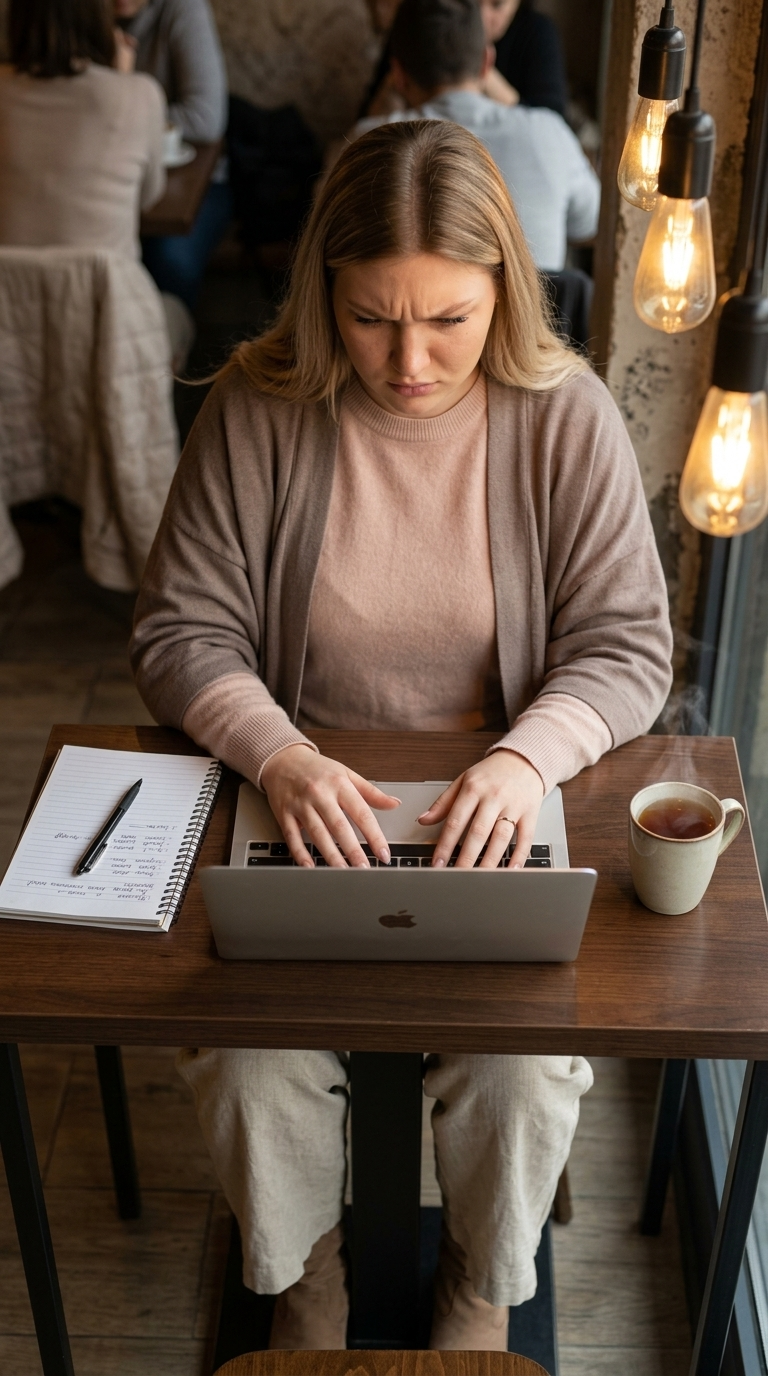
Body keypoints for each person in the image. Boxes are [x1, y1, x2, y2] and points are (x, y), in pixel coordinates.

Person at [130, 118, 672, 1350]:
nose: (411, 361)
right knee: (250, 1062)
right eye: (374, 318)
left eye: (448, 319)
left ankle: (480, 1288)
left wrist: (528, 752)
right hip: (299, 788)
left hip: (495, 794)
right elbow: (177, 632)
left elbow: (631, 644)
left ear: (505, 295)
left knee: (520, 1069)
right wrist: (277, 750)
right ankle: (304, 1275)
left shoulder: (564, 413)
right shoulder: (260, 407)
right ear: (326, 291)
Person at [351, 0, 599, 274]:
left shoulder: (365, 145)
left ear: (397, 75)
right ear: (487, 64)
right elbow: (593, 223)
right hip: (538, 313)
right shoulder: (549, 132)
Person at [0, 0, 165, 263]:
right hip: (104, 300)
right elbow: (148, 196)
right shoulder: (140, 96)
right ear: (98, 17)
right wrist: (121, 81)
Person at [114, 0, 229, 307]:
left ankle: (170, 346)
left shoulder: (182, 8)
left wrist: (122, 103)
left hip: (192, 183)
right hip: (110, 180)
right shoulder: (70, 13)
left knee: (170, 264)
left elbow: (206, 117)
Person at [480, 0, 567, 117]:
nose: (482, 17)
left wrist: (477, 69)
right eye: (473, 4)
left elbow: (552, 122)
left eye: (497, 5)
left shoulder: (538, 32)